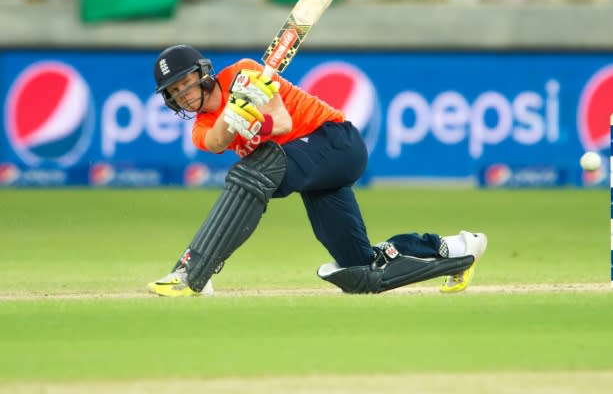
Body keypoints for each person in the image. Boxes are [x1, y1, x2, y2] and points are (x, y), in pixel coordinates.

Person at [148, 45, 488, 296]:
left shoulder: (243, 72)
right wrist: (234, 114)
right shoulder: (200, 128)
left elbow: (282, 123)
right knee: (361, 271)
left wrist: (257, 120)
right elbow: (219, 139)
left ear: (202, 73)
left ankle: (195, 269)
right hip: (312, 171)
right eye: (174, 92)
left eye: (185, 83)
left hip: (336, 141)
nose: (183, 95)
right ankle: (454, 249)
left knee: (253, 171)